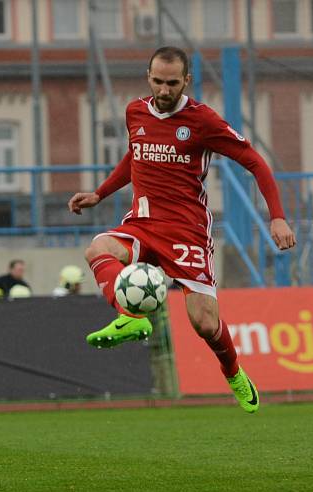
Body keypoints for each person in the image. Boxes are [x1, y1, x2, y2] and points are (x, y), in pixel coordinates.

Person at [68, 46, 296, 414]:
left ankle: (235, 373)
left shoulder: (203, 120)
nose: (163, 89)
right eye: (157, 81)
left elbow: (254, 161)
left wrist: (278, 216)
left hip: (187, 232)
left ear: (186, 81)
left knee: (204, 323)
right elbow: (135, 156)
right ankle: (130, 317)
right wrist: (99, 193)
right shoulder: (135, 112)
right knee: (98, 248)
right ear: (148, 76)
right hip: (143, 223)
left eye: (172, 83)